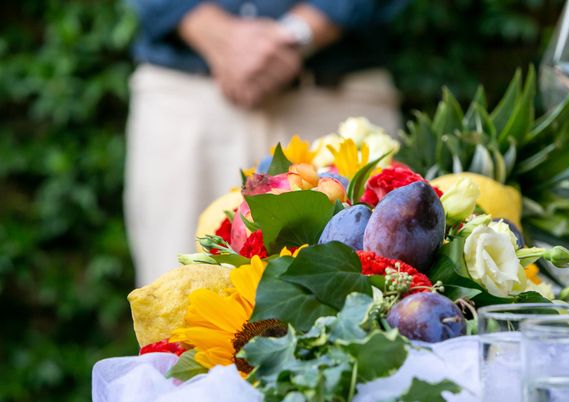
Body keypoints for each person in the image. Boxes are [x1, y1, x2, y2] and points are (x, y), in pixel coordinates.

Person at [125, 0, 408, 286]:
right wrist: (215, 33)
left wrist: (299, 32)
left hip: (335, 98)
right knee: (175, 305)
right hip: (187, 100)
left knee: (362, 306)